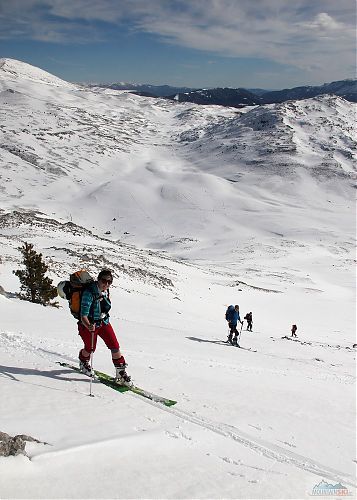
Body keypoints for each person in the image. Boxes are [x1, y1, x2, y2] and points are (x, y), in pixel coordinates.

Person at [77, 269, 131, 384]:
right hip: (89, 325)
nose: (106, 284)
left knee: (115, 346)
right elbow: (83, 315)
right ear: (98, 279)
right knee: (90, 349)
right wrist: (88, 325)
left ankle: (121, 373)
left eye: (109, 282)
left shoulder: (106, 291)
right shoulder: (89, 293)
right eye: (104, 281)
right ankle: (83, 361)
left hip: (104, 322)